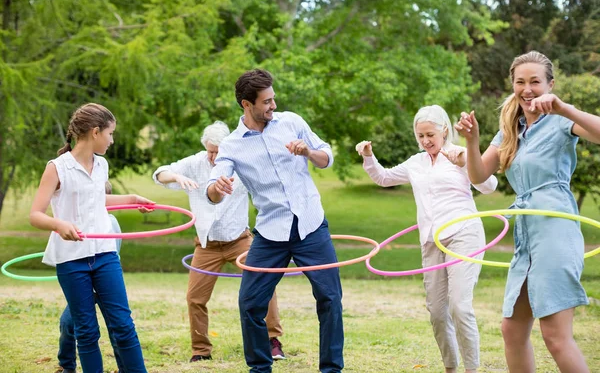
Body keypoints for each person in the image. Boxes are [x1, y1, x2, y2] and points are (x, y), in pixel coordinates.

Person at [455, 50, 600, 372]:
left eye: (535, 81)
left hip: (555, 227)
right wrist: (472, 140)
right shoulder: (510, 130)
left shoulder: (562, 121)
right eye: (520, 82)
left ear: (550, 84)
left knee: (555, 335)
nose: (527, 89)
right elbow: (478, 176)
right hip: (527, 232)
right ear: (513, 86)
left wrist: (565, 108)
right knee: (513, 330)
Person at [207, 69, 344, 373]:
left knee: (330, 298)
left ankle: (332, 369)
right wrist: (217, 188)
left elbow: (326, 157)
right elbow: (214, 188)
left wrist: (308, 151)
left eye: (273, 99)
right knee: (250, 303)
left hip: (310, 225)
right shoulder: (232, 145)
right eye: (266, 102)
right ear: (247, 104)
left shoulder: (292, 122)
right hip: (271, 232)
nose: (272, 105)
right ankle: (260, 368)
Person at [356, 105, 497, 373]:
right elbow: (384, 178)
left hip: (463, 234)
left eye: (430, 134)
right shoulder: (415, 163)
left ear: (444, 131)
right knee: (436, 312)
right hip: (431, 240)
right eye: (420, 136)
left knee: (459, 306)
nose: (425, 141)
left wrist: (466, 161)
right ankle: (451, 368)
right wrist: (369, 156)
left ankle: (472, 369)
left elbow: (489, 186)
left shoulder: (458, 155)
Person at [30, 103, 153, 373]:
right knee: (86, 330)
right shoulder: (57, 168)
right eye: (110, 134)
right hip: (72, 260)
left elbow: (95, 199)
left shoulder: (102, 164)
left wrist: (131, 199)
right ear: (95, 132)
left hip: (104, 253)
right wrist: (59, 224)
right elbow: (35, 214)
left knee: (123, 324)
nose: (112, 140)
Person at [151, 121, 286, 362]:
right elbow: (159, 174)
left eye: (218, 151)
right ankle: (201, 351)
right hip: (207, 244)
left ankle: (272, 341)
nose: (214, 156)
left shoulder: (239, 164)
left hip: (239, 241)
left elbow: (267, 183)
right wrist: (176, 176)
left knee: (265, 285)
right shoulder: (194, 163)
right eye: (210, 151)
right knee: (195, 298)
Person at [57, 181, 124, 373]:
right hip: (83, 285)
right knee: (68, 323)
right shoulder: (77, 223)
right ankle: (66, 365)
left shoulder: (110, 223)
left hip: (104, 284)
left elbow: (112, 255)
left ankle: (124, 367)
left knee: (116, 328)